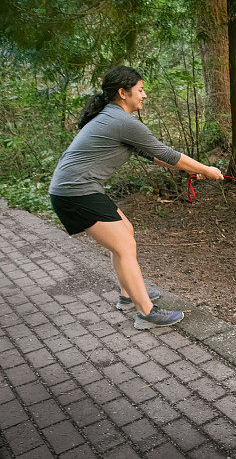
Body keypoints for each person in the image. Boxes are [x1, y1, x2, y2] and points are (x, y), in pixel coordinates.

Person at [49, 66, 224, 329]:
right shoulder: (122, 121)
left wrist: (192, 168)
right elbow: (166, 153)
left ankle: (128, 294)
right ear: (123, 93)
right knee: (124, 246)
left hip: (77, 189)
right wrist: (207, 169)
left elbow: (154, 156)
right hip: (76, 192)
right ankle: (146, 312)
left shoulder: (113, 118)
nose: (144, 95)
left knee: (125, 233)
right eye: (140, 90)